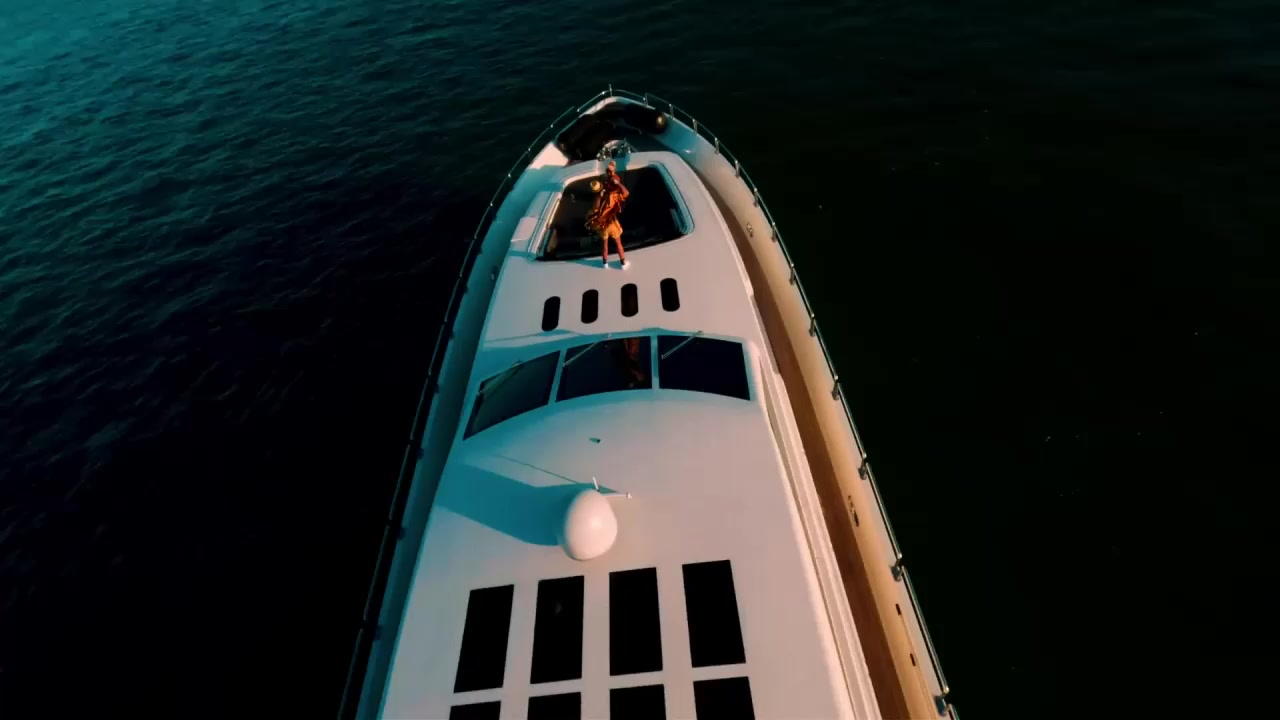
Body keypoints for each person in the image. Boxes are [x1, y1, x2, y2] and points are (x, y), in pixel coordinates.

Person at [585, 160, 630, 268]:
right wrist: (618, 184)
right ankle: (623, 263)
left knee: (604, 245)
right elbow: (626, 193)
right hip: (611, 223)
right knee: (618, 243)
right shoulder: (613, 196)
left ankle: (605, 262)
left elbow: (595, 208)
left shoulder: (597, 199)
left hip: (602, 226)